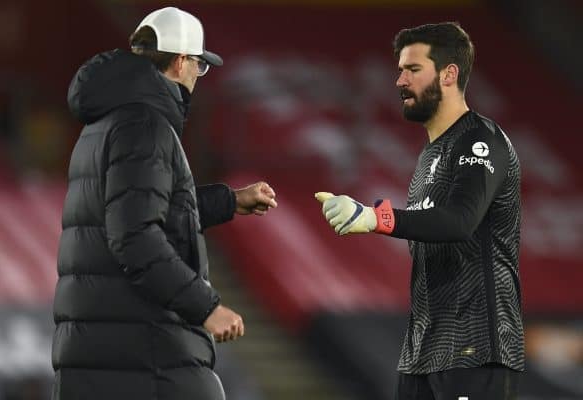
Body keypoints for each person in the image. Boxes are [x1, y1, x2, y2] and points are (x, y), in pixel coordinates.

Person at [52, 7, 277, 400]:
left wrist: (228, 201)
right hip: (145, 351)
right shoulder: (145, 125)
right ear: (179, 62)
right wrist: (206, 308)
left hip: (100, 352)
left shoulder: (102, 123)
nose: (197, 77)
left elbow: (140, 211)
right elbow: (136, 237)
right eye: (198, 65)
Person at [315, 22, 523, 400]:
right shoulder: (430, 155)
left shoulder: (481, 139)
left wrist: (374, 217)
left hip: (475, 353)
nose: (399, 81)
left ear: (449, 74)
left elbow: (460, 221)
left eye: (412, 69)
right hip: (421, 357)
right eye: (400, 70)